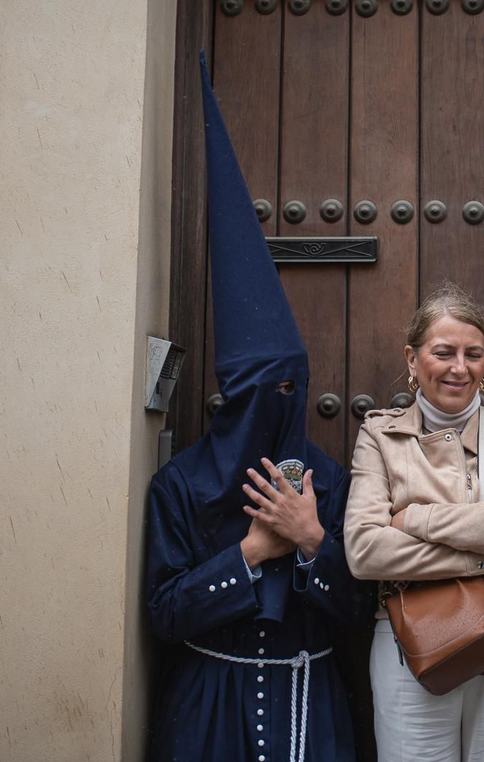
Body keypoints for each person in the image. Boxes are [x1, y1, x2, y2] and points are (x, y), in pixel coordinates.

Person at [144, 55, 367, 762]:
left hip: (313, 711)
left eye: (290, 391)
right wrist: (248, 552)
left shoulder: (329, 483)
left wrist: (310, 539)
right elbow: (163, 614)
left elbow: (363, 613)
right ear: (231, 399)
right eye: (262, 394)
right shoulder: (179, 486)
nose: (278, 408)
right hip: (208, 712)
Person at [344, 285, 484, 762]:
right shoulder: (380, 435)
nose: (460, 367)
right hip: (411, 637)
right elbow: (364, 551)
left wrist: (413, 518)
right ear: (413, 359)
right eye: (444, 352)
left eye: (473, 354)